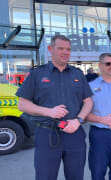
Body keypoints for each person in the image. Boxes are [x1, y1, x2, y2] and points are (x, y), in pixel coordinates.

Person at [16, 35, 93, 180]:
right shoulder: (37, 74)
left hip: (74, 134)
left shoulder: (78, 74)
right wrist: (49, 112)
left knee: (76, 176)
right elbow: (22, 104)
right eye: (61, 48)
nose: (65, 52)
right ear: (51, 49)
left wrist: (78, 120)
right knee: (45, 177)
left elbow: (88, 102)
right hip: (47, 134)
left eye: (68, 49)